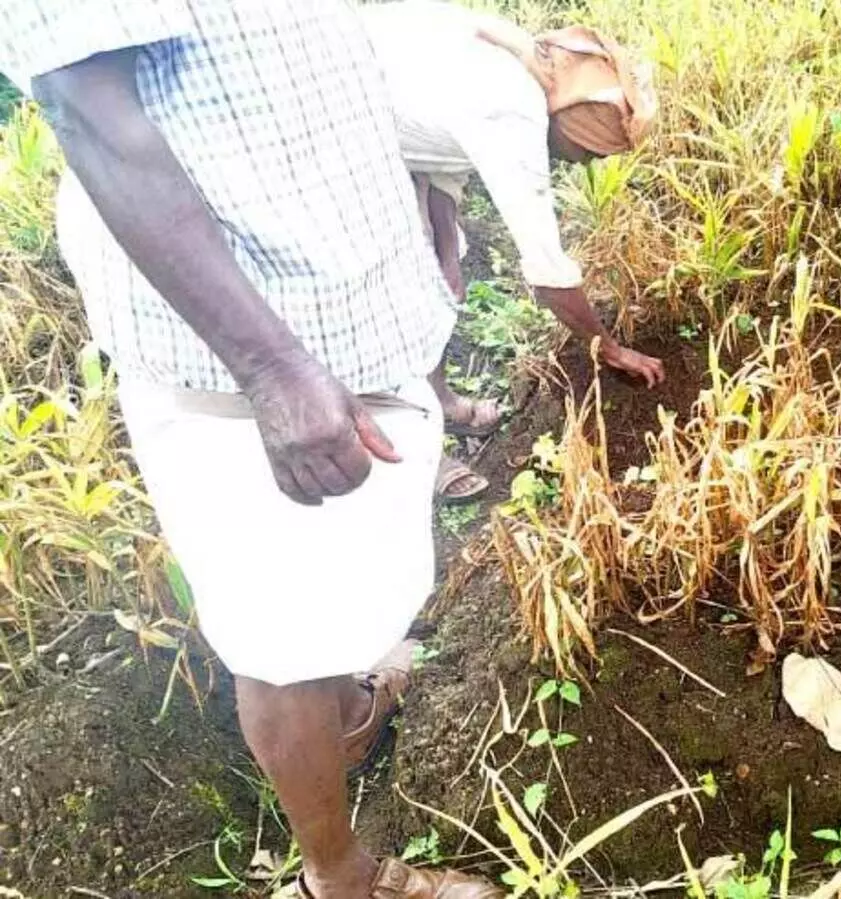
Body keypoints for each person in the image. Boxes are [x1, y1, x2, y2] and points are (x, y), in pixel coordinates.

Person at [0, 2, 497, 897]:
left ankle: (348, 710)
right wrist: (270, 367)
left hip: (357, 306)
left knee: (345, 576)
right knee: (280, 634)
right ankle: (337, 875)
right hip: (240, 353)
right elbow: (90, 112)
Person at [360, 1, 666, 501]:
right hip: (323, 134)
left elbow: (442, 151)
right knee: (393, 292)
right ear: (566, 122)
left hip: (386, 128)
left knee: (434, 269)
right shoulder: (512, 109)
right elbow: (547, 272)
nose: (585, 165)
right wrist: (608, 347)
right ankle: (417, 453)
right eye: (588, 152)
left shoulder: (523, 66)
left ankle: (439, 400)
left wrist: (447, 250)